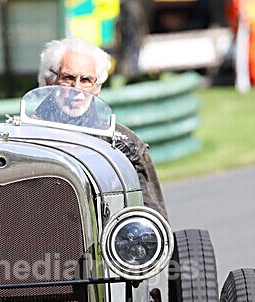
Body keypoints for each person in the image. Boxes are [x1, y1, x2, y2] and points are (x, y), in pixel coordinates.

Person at [37, 37, 168, 220]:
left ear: (97, 88)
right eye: (68, 78)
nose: (77, 89)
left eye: (86, 80)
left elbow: (152, 220)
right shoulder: (22, 138)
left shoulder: (124, 144)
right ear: (49, 80)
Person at [226, 0, 255, 89]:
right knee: (248, 53)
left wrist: (244, 12)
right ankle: (251, 82)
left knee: (254, 53)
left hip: (252, 19)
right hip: (248, 19)